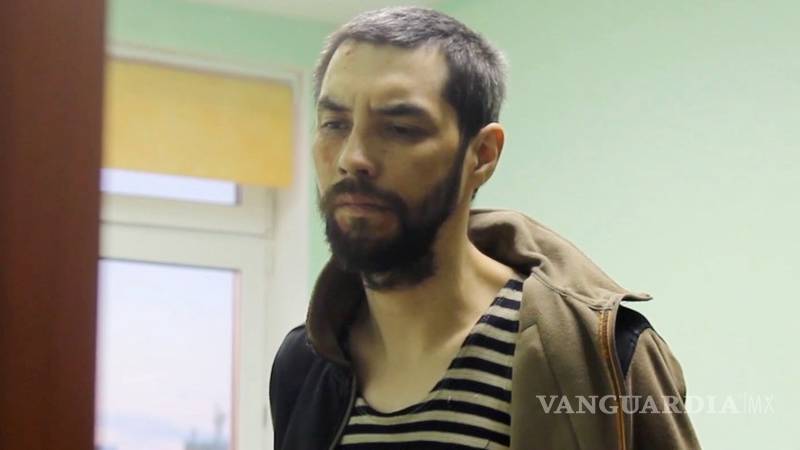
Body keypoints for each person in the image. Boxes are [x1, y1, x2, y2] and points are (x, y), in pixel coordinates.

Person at [270, 6, 700, 450]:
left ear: (482, 155)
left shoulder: (600, 355)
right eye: (335, 124)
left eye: (399, 128)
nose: (352, 157)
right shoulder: (306, 364)